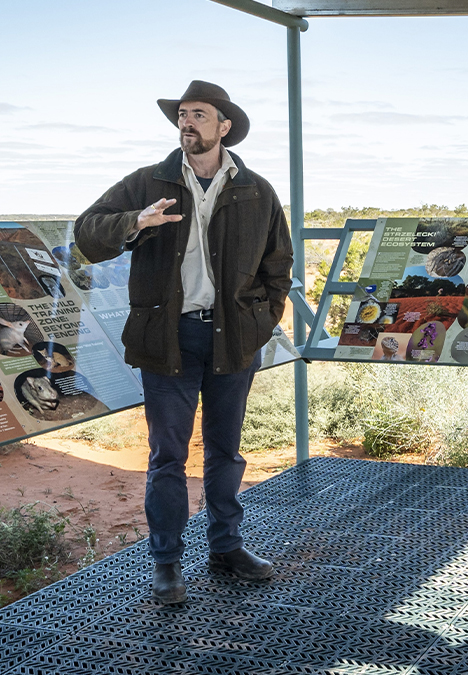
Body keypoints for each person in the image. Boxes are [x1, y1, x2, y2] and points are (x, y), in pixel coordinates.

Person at [74, 81, 293, 604]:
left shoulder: (257, 190)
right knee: (168, 456)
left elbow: (278, 266)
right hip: (169, 338)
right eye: (182, 115)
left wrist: (261, 321)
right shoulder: (147, 182)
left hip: (234, 339)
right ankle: (167, 563)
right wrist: (135, 222)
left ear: (224, 126)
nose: (187, 122)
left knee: (226, 450)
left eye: (199, 114)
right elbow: (86, 232)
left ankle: (226, 548)